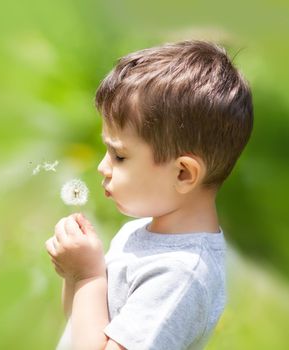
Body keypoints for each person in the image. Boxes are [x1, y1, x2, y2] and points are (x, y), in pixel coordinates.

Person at [45, 40, 254, 350]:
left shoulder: (180, 275)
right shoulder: (139, 233)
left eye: (119, 156)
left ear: (183, 173)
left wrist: (88, 276)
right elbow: (85, 327)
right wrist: (75, 275)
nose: (103, 167)